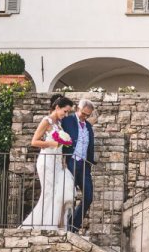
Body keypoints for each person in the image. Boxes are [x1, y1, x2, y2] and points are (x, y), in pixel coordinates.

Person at [20, 95, 76, 230]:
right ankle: (42, 226)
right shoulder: (47, 121)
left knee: (60, 191)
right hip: (46, 161)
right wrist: (50, 143)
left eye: (68, 112)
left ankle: (56, 224)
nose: (66, 114)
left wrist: (62, 158)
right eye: (65, 111)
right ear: (57, 107)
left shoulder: (59, 125)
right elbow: (34, 141)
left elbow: (60, 145)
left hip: (57, 163)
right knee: (49, 193)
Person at [61, 98, 97, 234]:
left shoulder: (88, 126)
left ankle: (73, 226)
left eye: (88, 115)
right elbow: (58, 138)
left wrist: (90, 162)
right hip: (70, 162)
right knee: (68, 196)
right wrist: (62, 158)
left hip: (84, 165)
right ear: (77, 109)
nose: (85, 117)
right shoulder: (67, 121)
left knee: (88, 196)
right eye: (83, 114)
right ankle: (63, 225)